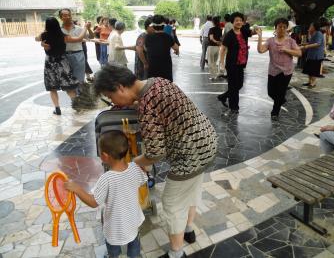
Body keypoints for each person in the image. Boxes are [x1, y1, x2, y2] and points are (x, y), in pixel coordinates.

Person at [93, 65, 218, 258]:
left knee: (172, 204)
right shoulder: (158, 82)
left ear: (120, 87)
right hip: (207, 142)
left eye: (110, 97)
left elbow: (155, 153)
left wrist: (132, 163)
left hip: (189, 156)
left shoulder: (146, 105)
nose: (113, 102)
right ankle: (188, 230)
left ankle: (176, 253)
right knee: (191, 191)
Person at [64, 130, 147, 258]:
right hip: (133, 220)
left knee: (113, 249)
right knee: (134, 242)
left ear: (104, 156)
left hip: (115, 227)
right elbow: (143, 178)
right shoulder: (135, 168)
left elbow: (93, 202)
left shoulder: (106, 179)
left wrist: (77, 189)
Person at [35, 17, 89, 115]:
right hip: (62, 62)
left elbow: (36, 38)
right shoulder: (63, 36)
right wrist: (85, 27)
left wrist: (42, 43)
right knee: (69, 86)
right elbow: (79, 39)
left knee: (52, 87)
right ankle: (77, 106)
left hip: (50, 62)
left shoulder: (44, 36)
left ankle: (57, 108)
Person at [256, 18, 302, 119]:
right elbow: (260, 50)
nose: (282, 29)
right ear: (275, 28)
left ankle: (275, 112)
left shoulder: (291, 41)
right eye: (279, 27)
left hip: (286, 71)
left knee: (281, 92)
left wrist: (286, 50)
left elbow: (299, 53)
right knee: (271, 92)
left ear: (287, 29)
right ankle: (281, 100)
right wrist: (260, 37)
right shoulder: (270, 41)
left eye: (284, 27)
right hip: (273, 70)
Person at [218, 12, 253, 114]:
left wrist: (257, 31)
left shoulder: (243, 31)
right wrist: (221, 62)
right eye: (236, 20)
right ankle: (234, 107)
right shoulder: (230, 35)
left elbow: (251, 33)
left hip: (241, 64)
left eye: (240, 20)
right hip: (232, 64)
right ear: (233, 22)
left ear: (243, 22)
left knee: (239, 85)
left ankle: (223, 96)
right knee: (233, 86)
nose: (239, 22)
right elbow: (223, 48)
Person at [145, 15, 179, 82]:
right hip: (165, 67)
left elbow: (146, 49)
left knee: (153, 86)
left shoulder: (148, 37)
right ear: (164, 26)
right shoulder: (167, 37)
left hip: (153, 66)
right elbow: (176, 47)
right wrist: (177, 51)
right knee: (166, 85)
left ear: (153, 26)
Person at [301, 21, 325, 88]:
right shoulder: (313, 33)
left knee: (314, 70)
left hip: (316, 55)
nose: (310, 27)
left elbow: (317, 44)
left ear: (314, 27)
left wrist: (306, 46)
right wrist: (304, 44)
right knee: (309, 69)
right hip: (311, 55)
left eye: (311, 26)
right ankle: (309, 82)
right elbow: (311, 43)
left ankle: (313, 83)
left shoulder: (318, 33)